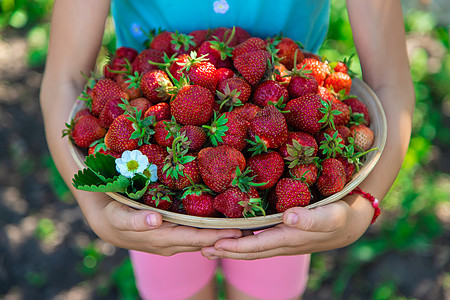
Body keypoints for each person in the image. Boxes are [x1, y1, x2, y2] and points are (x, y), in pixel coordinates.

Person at [39, 0, 415, 299]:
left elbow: (390, 84)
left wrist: (363, 206)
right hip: (153, 191)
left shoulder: (288, 134)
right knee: (172, 290)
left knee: (270, 290)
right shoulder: (157, 132)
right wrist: (97, 211)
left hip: (284, 211)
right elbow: (66, 79)